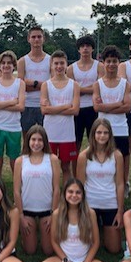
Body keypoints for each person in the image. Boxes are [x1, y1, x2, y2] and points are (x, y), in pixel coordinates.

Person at [38, 178, 111, 262]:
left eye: (78, 192)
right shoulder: (57, 214)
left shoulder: (90, 213)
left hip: (85, 259)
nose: (74, 195)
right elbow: (54, 242)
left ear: (83, 195)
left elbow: (96, 242)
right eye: (70, 192)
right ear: (65, 194)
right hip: (64, 260)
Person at [76, 118, 124, 254]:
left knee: (114, 249)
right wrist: (80, 210)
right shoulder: (84, 156)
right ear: (93, 134)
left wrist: (120, 211)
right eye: (98, 132)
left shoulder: (117, 155)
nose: (102, 136)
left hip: (110, 203)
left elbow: (120, 184)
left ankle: (105, 234)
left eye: (105, 133)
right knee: (86, 248)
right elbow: (79, 185)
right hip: (90, 205)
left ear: (110, 135)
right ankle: (96, 231)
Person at [13, 125, 61, 255]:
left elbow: (56, 189)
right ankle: (26, 236)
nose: (36, 143)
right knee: (30, 250)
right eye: (33, 139)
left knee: (48, 251)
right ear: (27, 141)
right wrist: (21, 216)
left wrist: (53, 214)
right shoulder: (20, 161)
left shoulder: (52, 159)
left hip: (47, 210)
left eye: (40, 140)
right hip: (27, 210)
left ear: (45, 142)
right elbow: (16, 191)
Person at [92, 45, 131, 188]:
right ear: (103, 63)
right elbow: (97, 107)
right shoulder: (98, 84)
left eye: (114, 61)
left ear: (119, 62)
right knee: (103, 156)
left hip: (120, 127)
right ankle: (104, 182)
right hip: (103, 127)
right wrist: (118, 104)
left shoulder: (125, 84)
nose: (111, 64)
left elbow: (127, 107)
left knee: (124, 156)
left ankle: (124, 182)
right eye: (108, 61)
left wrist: (107, 107)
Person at [41, 50, 80, 183]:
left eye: (62, 63)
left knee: (65, 166)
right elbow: (44, 110)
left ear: (66, 65)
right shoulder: (46, 85)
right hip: (50, 132)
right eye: (56, 63)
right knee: (50, 166)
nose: (59, 66)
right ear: (51, 65)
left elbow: (75, 110)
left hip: (67, 133)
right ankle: (52, 194)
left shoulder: (74, 85)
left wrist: (53, 108)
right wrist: (65, 106)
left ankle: (66, 195)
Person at [0, 50, 25, 175]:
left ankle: (17, 189)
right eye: (3, 63)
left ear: (14, 65)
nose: (6, 65)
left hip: (13, 127)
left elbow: (21, 107)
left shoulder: (20, 83)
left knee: (15, 162)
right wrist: (11, 102)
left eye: (9, 63)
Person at [67, 35, 105, 159]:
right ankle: (75, 169)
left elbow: (99, 88)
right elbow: (72, 90)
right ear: (78, 49)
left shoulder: (99, 66)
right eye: (82, 46)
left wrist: (80, 89)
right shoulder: (71, 68)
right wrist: (91, 88)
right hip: (77, 109)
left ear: (92, 49)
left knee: (94, 140)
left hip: (93, 108)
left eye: (88, 46)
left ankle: (94, 164)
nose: (85, 49)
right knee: (75, 141)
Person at [18, 26, 51, 136]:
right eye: (33, 37)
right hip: (27, 105)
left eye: (39, 37)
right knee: (27, 139)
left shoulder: (50, 60)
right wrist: (41, 84)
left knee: (46, 139)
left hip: (45, 105)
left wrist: (31, 83)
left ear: (43, 39)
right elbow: (21, 86)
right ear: (29, 39)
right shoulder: (22, 61)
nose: (36, 39)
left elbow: (53, 86)